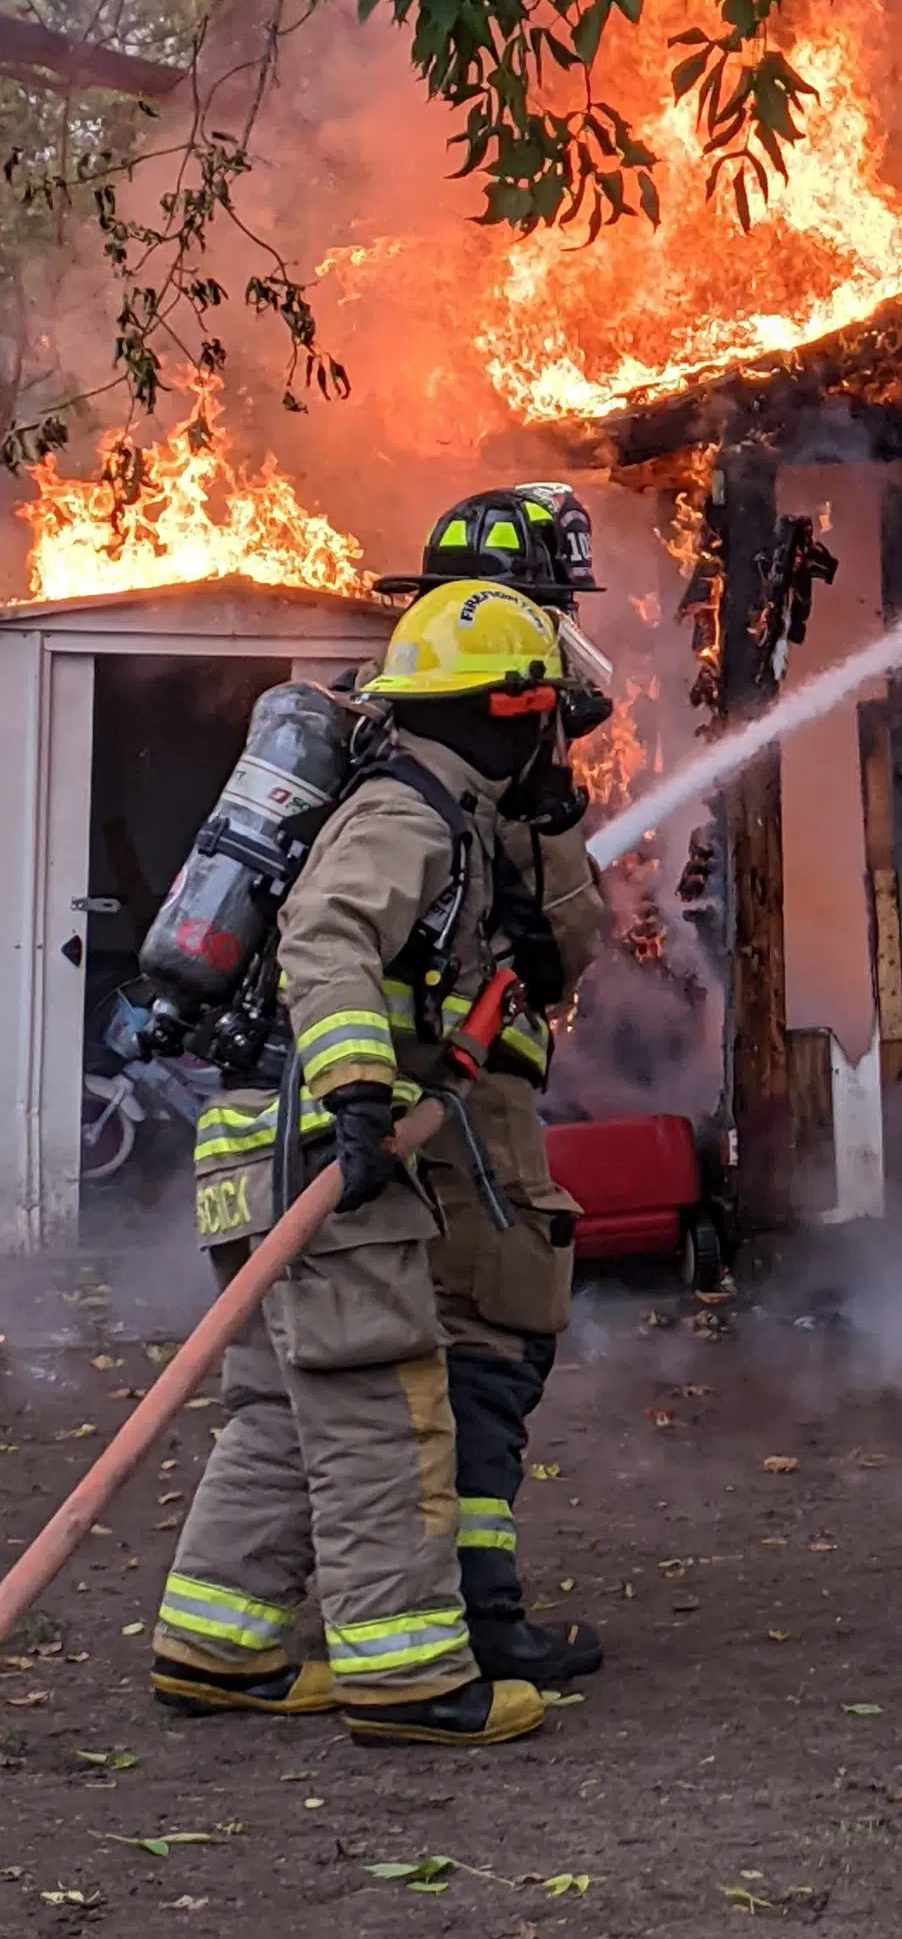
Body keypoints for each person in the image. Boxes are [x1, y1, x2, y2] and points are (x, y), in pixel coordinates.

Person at [151, 582, 578, 1749]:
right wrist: (355, 1094)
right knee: (385, 1403)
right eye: (539, 709)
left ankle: (217, 1643)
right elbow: (327, 936)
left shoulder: (422, 806)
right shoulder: (412, 812)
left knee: (283, 1411)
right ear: (506, 709)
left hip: (258, 1148)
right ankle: (408, 1676)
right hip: (321, 1152)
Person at [378, 485, 612, 1688]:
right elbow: (561, 947)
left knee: (409, 1358)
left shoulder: (400, 746)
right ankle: (480, 1611)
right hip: (465, 1110)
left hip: (414, 1104)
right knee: (494, 1341)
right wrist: (556, 817)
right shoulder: (484, 778)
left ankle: (404, 1601)